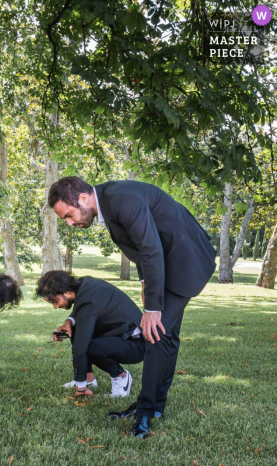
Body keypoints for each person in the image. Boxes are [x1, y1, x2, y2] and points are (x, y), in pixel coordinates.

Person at [48, 176, 216, 438]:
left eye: (69, 215)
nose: (70, 223)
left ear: (82, 198)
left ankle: (145, 410)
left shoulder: (120, 200)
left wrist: (152, 307)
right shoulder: (107, 203)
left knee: (154, 334)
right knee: (166, 336)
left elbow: (150, 248)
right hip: (168, 261)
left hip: (186, 259)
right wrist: (144, 280)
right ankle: (154, 406)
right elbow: (139, 246)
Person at [37, 271, 145, 398]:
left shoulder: (87, 303)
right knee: (75, 329)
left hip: (137, 344)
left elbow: (80, 347)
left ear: (66, 292)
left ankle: (121, 377)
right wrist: (69, 321)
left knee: (89, 347)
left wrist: (80, 388)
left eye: (55, 301)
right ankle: (89, 380)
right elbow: (82, 309)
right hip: (123, 336)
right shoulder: (84, 284)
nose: (55, 306)